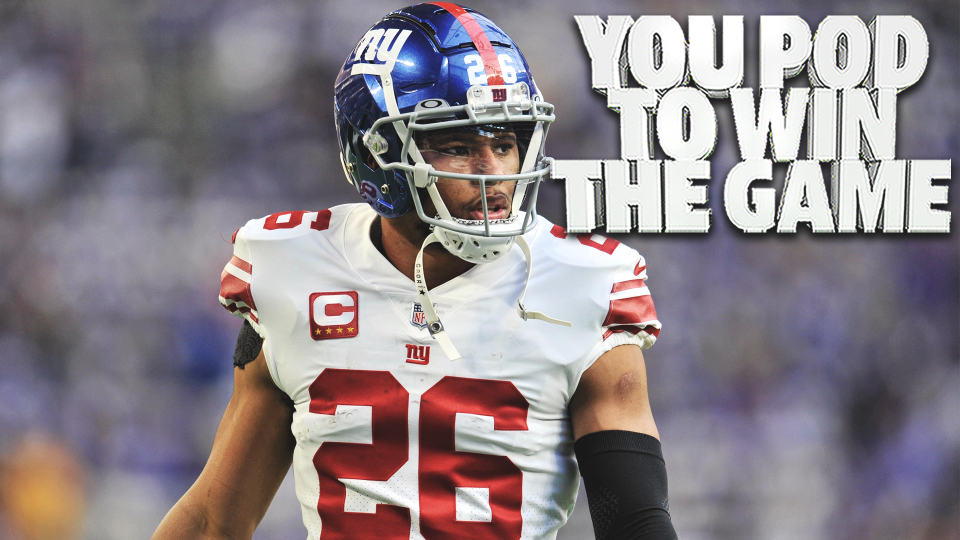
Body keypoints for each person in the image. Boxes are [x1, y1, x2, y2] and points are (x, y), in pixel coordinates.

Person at [152, 4, 677, 539]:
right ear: (375, 154)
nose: (493, 174)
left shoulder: (583, 285)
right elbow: (215, 519)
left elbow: (638, 525)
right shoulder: (296, 272)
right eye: (457, 147)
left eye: (504, 142)